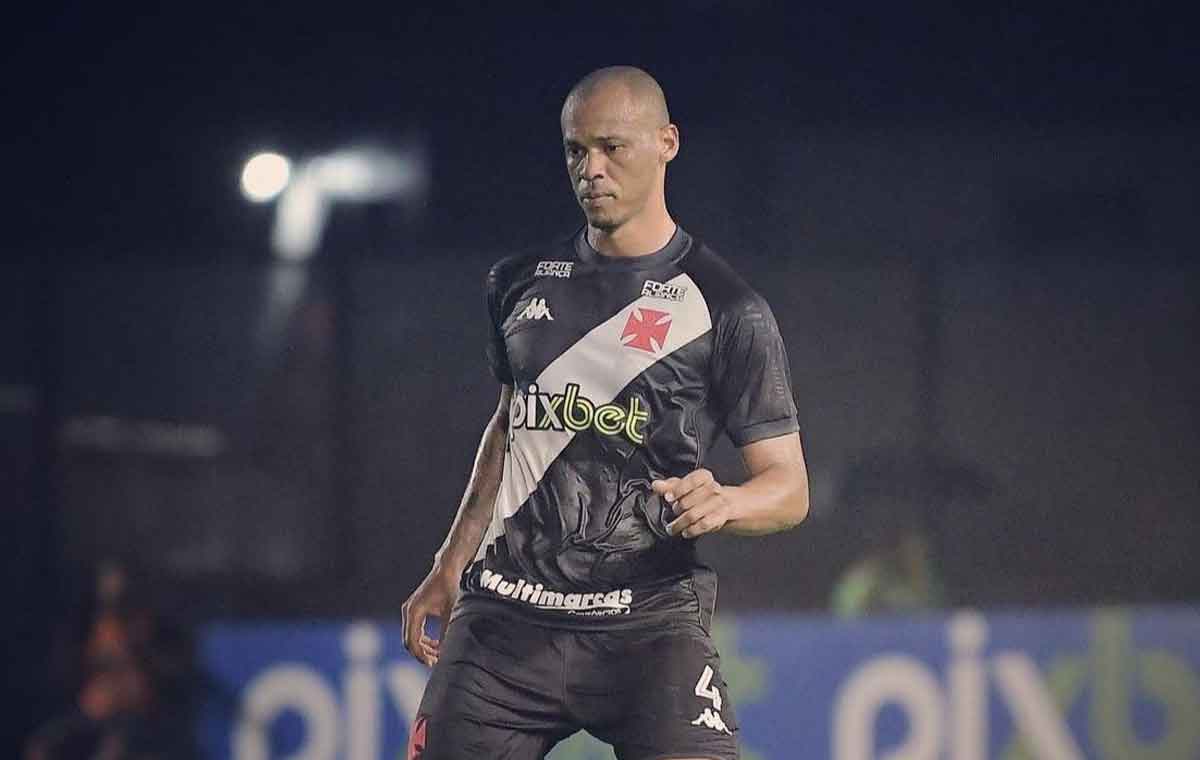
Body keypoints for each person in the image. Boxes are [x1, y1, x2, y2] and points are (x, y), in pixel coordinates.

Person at [401, 65, 810, 760]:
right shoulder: (518, 282)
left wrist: (728, 502)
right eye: (576, 150)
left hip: (649, 625)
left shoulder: (729, 308)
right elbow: (510, 426)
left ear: (667, 143)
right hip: (505, 617)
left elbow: (789, 489)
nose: (591, 169)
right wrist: (449, 561)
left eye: (612, 147)